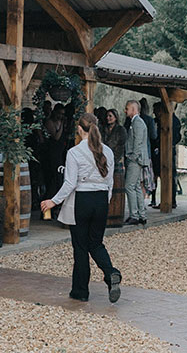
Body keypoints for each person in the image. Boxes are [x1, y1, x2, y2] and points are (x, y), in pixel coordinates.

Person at [41, 112, 122, 303]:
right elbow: (110, 183)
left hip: (82, 201)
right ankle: (111, 273)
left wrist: (53, 201)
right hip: (101, 200)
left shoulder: (74, 152)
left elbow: (70, 183)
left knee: (80, 247)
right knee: (96, 243)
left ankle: (80, 291)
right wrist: (106, 201)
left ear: (79, 129)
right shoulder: (108, 152)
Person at [124, 100, 150, 225]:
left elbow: (138, 142)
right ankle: (141, 215)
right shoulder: (135, 122)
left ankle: (134, 215)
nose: (125, 110)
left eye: (127, 108)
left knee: (129, 186)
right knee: (136, 187)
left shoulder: (137, 123)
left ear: (134, 109)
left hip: (136, 159)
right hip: (137, 159)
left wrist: (133, 157)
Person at [102, 108, 127, 224]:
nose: (108, 118)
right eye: (107, 116)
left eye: (110, 116)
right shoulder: (103, 130)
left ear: (116, 117)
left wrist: (113, 159)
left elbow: (120, 146)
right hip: (104, 160)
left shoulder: (121, 130)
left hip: (115, 160)